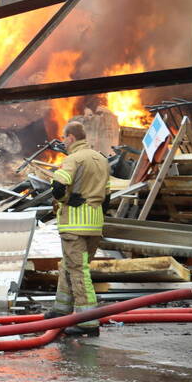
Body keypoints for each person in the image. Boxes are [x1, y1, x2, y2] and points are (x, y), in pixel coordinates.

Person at [43, 120, 110, 337]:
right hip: (94, 224)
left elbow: (57, 186)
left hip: (74, 224)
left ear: (71, 137)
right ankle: (61, 309)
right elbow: (107, 196)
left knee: (79, 271)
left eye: (64, 137)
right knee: (71, 266)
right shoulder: (101, 159)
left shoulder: (73, 159)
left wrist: (66, 199)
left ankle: (87, 322)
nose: (63, 141)